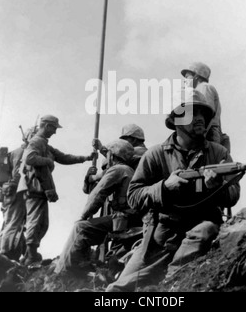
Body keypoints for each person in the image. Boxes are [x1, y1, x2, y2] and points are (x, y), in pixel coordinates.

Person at [106, 88, 241, 292]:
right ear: (176, 119)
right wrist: (164, 187)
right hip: (161, 234)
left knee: (202, 235)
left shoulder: (219, 153)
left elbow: (233, 196)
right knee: (115, 291)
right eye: (191, 113)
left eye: (203, 114)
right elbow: (133, 197)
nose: (200, 119)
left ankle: (171, 283)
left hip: (201, 230)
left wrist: (219, 187)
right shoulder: (155, 154)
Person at [17, 115, 95, 266]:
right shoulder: (37, 141)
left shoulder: (44, 144)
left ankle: (29, 254)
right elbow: (29, 159)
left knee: (42, 223)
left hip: (39, 188)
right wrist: (47, 161)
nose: (55, 132)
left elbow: (63, 157)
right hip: (34, 187)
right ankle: (31, 254)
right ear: (46, 126)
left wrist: (85, 158)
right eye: (53, 128)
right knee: (36, 221)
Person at [55, 139, 141, 274]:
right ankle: (83, 267)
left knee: (81, 228)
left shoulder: (118, 169)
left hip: (125, 219)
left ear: (112, 156)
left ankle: (63, 272)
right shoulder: (128, 170)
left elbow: (98, 194)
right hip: (130, 218)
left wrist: (83, 216)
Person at [0, 127, 37, 261]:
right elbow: (20, 175)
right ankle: (5, 255)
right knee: (14, 223)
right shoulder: (27, 153)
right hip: (16, 190)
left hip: (8, 191)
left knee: (11, 222)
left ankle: (6, 252)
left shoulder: (13, 153)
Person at [83, 124, 148, 194]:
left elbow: (120, 159)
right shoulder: (133, 154)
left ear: (134, 139)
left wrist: (93, 177)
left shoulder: (141, 152)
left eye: (124, 139)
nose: (122, 142)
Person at [181, 62, 231, 153]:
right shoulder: (199, 89)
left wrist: (199, 139)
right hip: (206, 132)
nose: (185, 80)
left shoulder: (204, 87)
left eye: (187, 77)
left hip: (208, 133)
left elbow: (206, 115)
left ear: (196, 76)